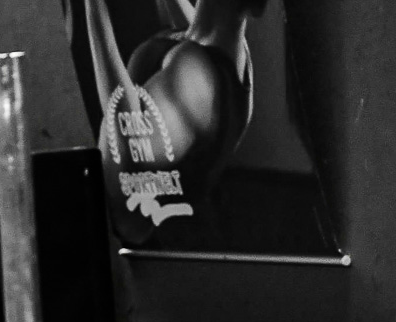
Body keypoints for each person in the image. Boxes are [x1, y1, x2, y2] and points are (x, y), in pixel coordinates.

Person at [78, 0, 267, 243]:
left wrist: (93, 8)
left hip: (123, 249)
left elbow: (134, 138)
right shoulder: (217, 42)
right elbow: (194, 28)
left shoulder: (199, 76)